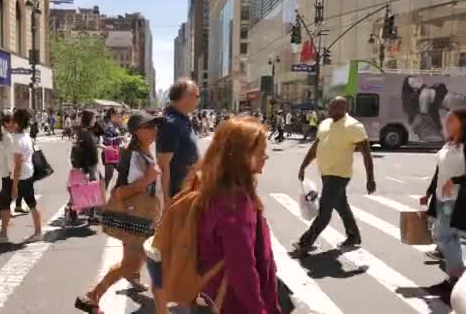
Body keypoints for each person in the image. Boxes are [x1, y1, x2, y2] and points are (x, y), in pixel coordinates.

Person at [75, 111, 163, 313]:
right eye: (150, 127)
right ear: (138, 131)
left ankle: (93, 296)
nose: (155, 130)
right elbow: (121, 192)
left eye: (155, 126)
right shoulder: (134, 156)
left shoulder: (144, 152)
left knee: (131, 263)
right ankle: (92, 295)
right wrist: (148, 179)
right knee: (133, 263)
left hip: (144, 218)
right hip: (136, 218)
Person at [195, 116, 281, 313]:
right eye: (261, 152)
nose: (265, 157)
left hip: (215, 292)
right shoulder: (235, 204)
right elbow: (243, 271)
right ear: (241, 156)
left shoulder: (213, 187)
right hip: (235, 303)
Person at [293, 97, 376, 256]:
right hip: (325, 173)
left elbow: (366, 154)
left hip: (339, 174)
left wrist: (370, 178)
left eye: (334, 107)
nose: (329, 110)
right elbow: (315, 147)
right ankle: (354, 236)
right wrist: (303, 165)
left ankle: (306, 241)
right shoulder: (325, 124)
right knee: (341, 206)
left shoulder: (354, 126)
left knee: (324, 211)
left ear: (344, 108)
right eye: (329, 106)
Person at [422, 108, 466, 286]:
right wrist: (430, 191)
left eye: (451, 121)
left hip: (456, 197)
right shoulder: (449, 143)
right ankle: (455, 277)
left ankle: (457, 277)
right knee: (447, 236)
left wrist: (454, 180)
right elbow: (440, 170)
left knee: (443, 236)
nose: (447, 124)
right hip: (442, 196)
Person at [0, 109, 43, 244]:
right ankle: (5, 234)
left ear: (16, 123)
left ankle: (4, 235)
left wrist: (14, 186)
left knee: (11, 203)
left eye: (13, 120)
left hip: (20, 177)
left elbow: (18, 166)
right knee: (30, 203)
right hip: (26, 174)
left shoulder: (17, 141)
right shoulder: (25, 136)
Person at [157, 79, 200, 205]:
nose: (199, 100)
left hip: (189, 190)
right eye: (196, 96)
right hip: (177, 195)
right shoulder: (171, 123)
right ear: (185, 96)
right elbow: (163, 166)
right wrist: (166, 201)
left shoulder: (183, 119)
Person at [102, 108, 123, 188]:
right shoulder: (110, 126)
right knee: (108, 176)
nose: (120, 118)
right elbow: (106, 140)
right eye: (118, 116)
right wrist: (118, 138)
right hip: (109, 154)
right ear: (112, 116)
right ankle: (102, 194)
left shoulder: (115, 126)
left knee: (122, 172)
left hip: (115, 153)